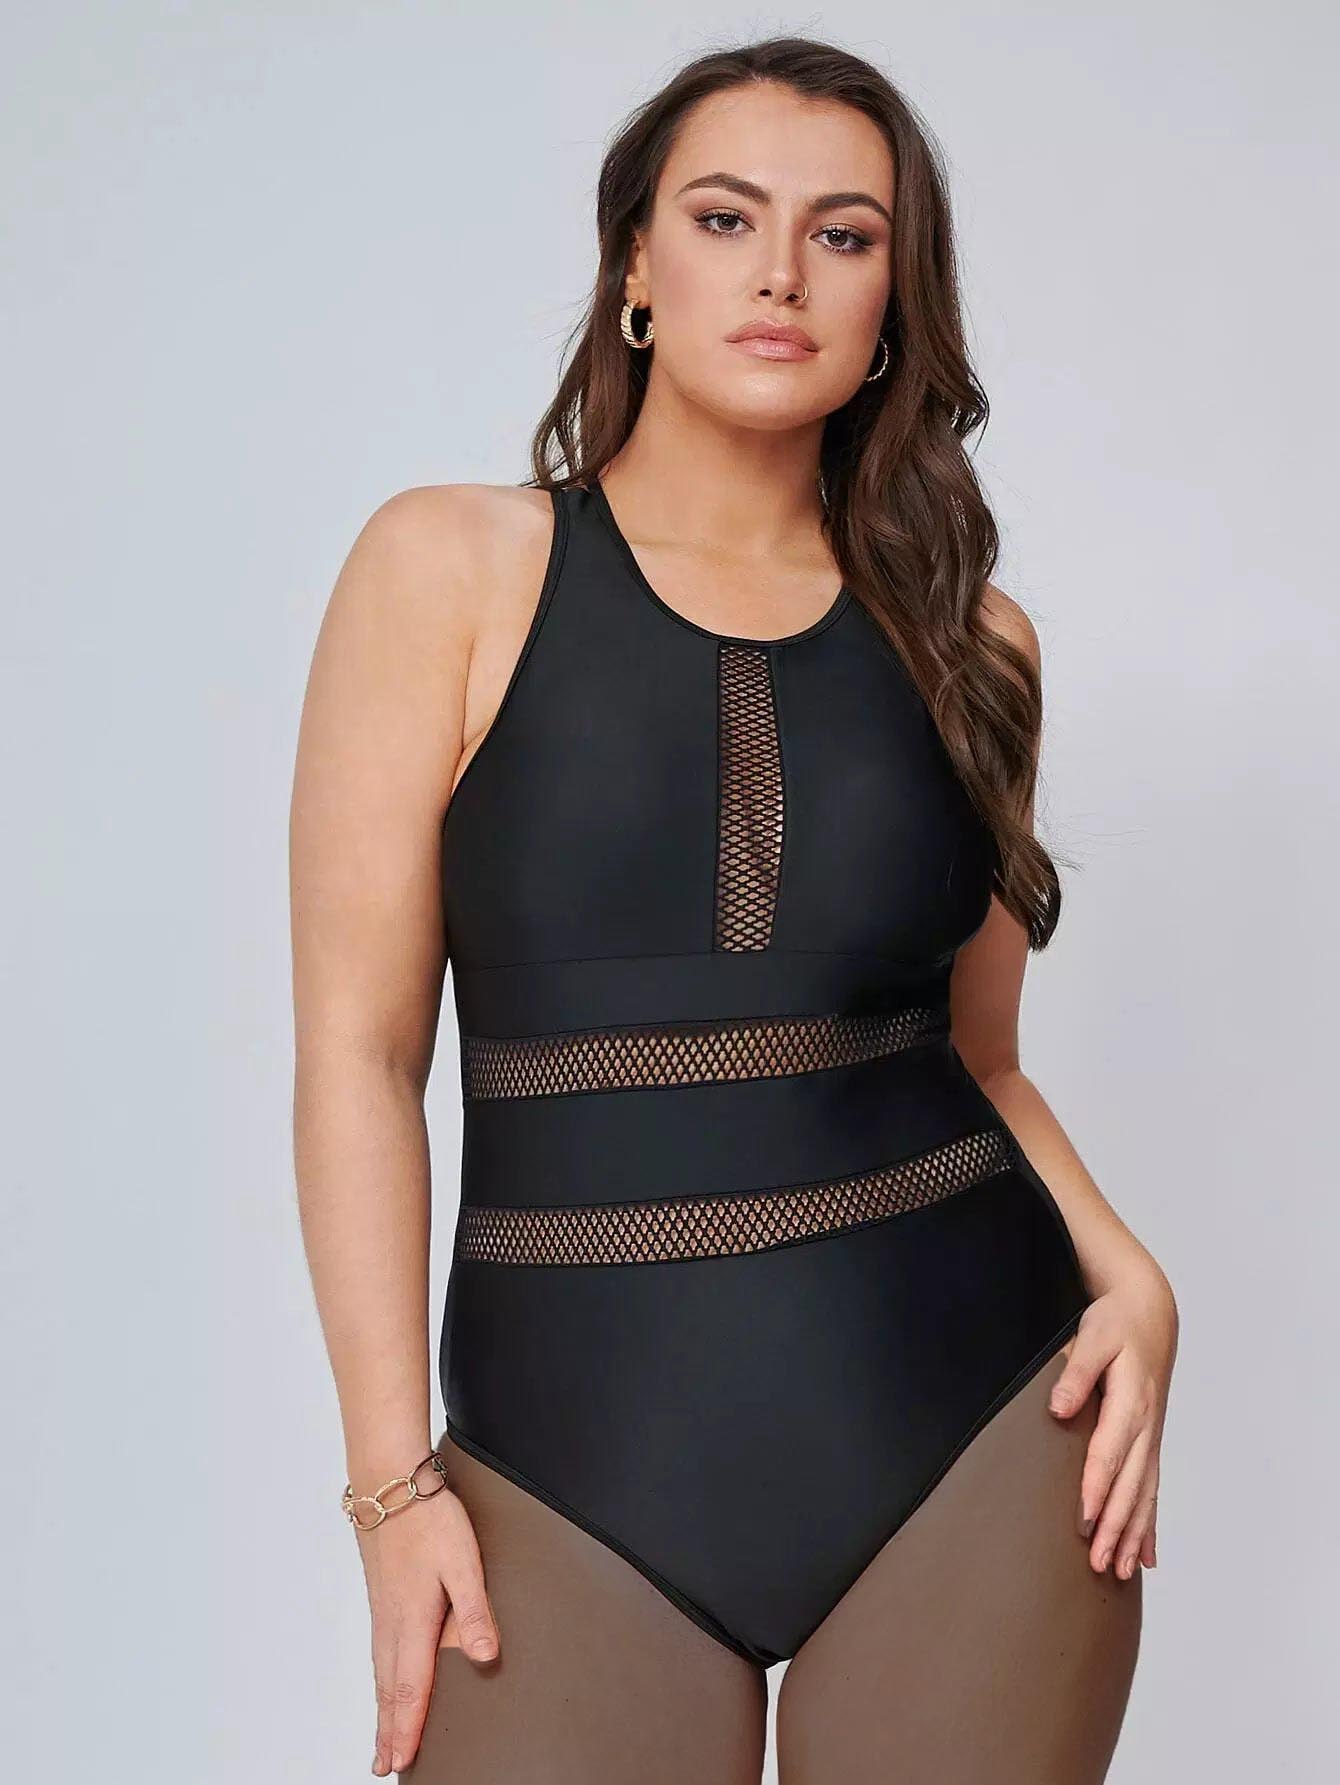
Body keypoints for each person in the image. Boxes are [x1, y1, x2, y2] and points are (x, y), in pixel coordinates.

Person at [289, 34, 1178, 1784]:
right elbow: (358, 1054)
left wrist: (1135, 1277)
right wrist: (392, 1487)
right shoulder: (447, 570)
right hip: (568, 1468)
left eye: (845, 236)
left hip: (980, 1434)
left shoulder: (977, 645)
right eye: (725, 217)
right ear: (637, 262)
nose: (782, 273)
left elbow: (978, 1058)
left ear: (892, 304)